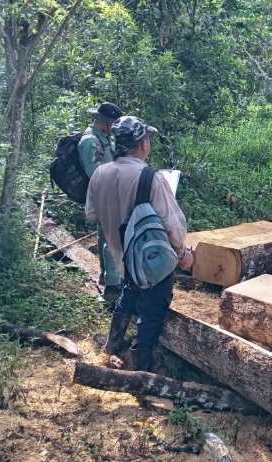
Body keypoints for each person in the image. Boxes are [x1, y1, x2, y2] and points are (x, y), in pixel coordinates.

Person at [86, 116, 194, 371]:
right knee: (153, 307)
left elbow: (91, 214)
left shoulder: (100, 173)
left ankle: (114, 342)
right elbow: (173, 223)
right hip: (150, 261)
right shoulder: (151, 178)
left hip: (120, 256)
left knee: (130, 291)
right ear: (144, 144)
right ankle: (141, 362)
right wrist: (183, 254)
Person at [79, 102, 125, 301]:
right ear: (106, 122)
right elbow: (95, 174)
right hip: (104, 197)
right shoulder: (91, 141)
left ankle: (107, 277)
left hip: (108, 195)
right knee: (112, 240)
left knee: (104, 238)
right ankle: (113, 288)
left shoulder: (103, 139)